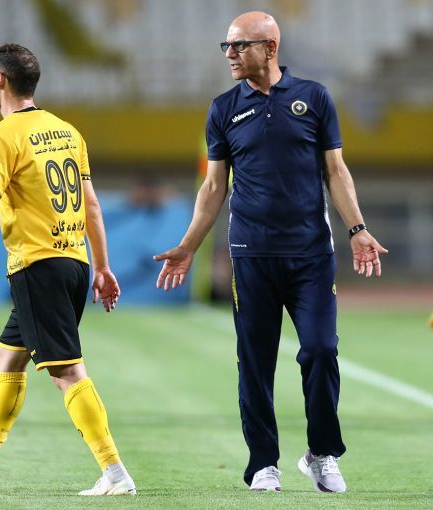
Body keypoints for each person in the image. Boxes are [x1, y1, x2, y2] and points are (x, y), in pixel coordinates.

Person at [154, 12, 386, 493]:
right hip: (251, 254)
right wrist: (189, 245)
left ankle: (321, 454)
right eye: (227, 46)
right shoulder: (222, 109)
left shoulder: (314, 98)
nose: (230, 54)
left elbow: (336, 171)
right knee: (255, 361)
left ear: (271, 47)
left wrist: (358, 229)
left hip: (311, 254)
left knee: (321, 350)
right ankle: (263, 463)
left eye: (240, 45)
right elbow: (213, 187)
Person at [0, 43, 136, 494]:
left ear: (0, 80)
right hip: (73, 263)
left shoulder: (2, 136)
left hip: (38, 265)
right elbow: (92, 205)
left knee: (67, 372)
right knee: (7, 355)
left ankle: (116, 473)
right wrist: (102, 266)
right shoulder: (67, 131)